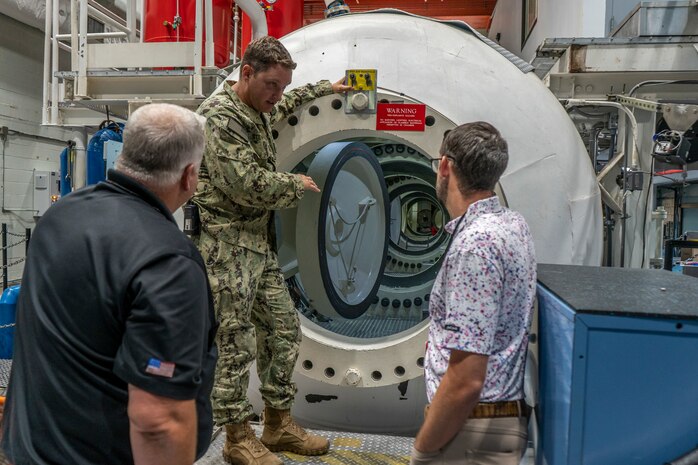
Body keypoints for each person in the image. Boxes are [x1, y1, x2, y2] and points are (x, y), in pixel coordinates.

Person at [1, 103, 218, 465]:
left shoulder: (60, 216)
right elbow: (158, 421)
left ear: (127, 154)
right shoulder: (169, 263)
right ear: (190, 175)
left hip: (28, 450)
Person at [192, 35, 351, 465]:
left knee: (284, 330)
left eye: (282, 86)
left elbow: (285, 103)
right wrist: (295, 185)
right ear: (246, 73)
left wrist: (326, 89)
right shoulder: (219, 119)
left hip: (257, 247)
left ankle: (278, 424)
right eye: (272, 86)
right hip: (225, 246)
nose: (277, 96)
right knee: (235, 342)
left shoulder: (256, 106)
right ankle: (238, 437)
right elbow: (245, 185)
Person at [411, 122, 537, 465]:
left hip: (469, 433)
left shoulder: (475, 247)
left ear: (446, 167)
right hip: (491, 424)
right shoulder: (514, 224)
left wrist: (423, 449)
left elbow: (466, 380)